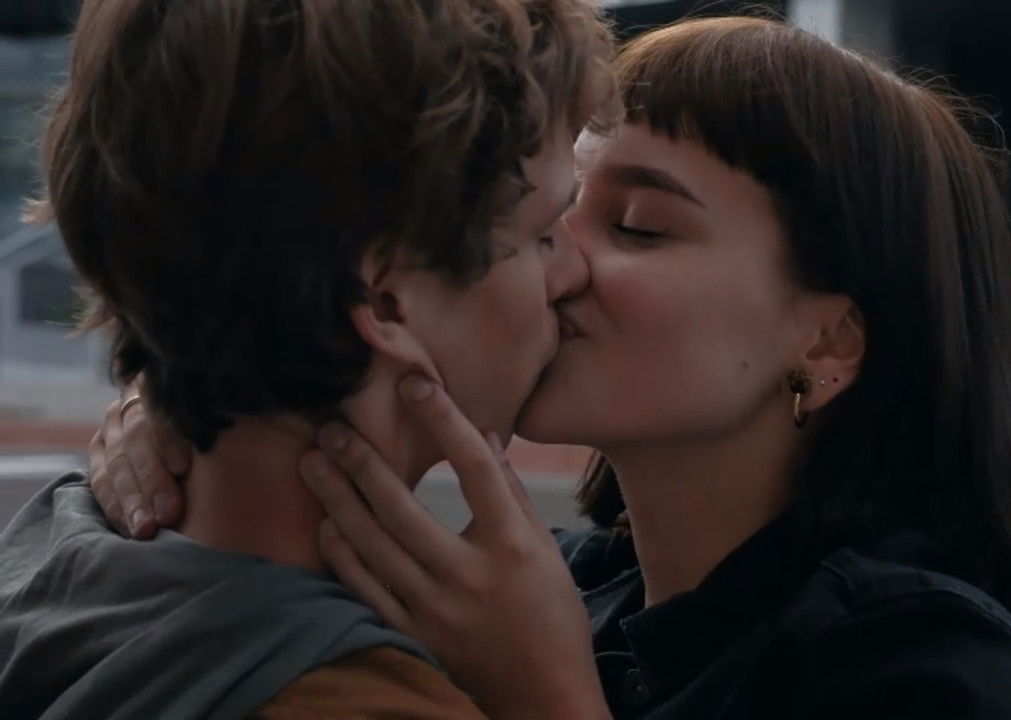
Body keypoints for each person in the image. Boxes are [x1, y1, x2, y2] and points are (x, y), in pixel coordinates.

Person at [89, 16, 1011, 719]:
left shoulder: (924, 670)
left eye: (638, 226)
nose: (552, 266)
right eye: (548, 214)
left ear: (827, 343)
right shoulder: (549, 586)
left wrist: (548, 699)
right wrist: (187, 399)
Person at [0, 0, 615, 717]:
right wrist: (558, 697)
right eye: (544, 235)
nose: (574, 272)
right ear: (386, 303)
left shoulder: (46, 561)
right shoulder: (367, 703)